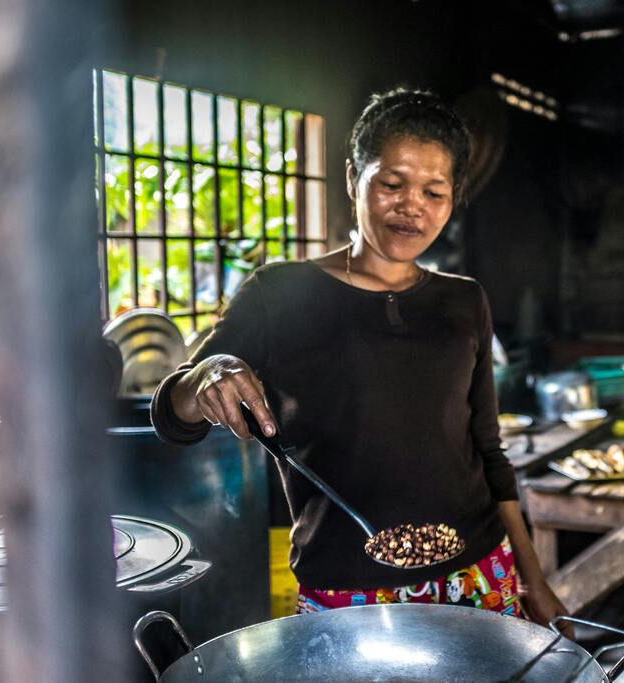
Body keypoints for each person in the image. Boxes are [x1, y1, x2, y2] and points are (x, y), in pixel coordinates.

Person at [150, 87, 572, 635]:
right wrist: (205, 375)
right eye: (392, 184)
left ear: (453, 197)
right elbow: (169, 415)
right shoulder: (280, 293)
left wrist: (532, 578)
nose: (411, 205)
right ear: (353, 178)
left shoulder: (465, 299)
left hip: (479, 571)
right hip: (347, 584)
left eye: (434, 191)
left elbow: (489, 452)